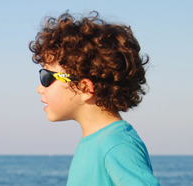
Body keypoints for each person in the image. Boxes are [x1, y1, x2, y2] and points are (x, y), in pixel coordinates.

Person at [29, 11, 160, 186]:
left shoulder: (116, 145)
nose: (39, 89)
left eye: (46, 77)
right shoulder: (96, 141)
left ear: (84, 88)